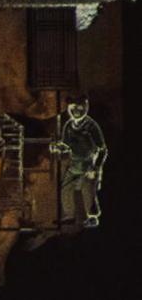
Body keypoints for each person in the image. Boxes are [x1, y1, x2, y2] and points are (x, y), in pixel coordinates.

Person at [50, 94, 107, 229]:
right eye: (73, 108)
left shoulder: (91, 126)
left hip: (89, 165)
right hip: (74, 164)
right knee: (66, 189)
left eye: (79, 108)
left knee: (88, 191)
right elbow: (66, 145)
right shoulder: (69, 126)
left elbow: (102, 149)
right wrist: (58, 147)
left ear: (85, 108)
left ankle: (92, 218)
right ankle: (69, 216)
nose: (76, 111)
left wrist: (95, 168)